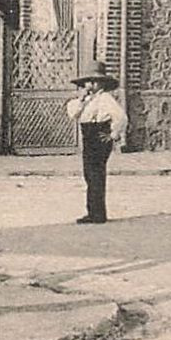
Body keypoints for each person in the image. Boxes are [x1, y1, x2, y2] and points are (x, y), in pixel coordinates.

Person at [65, 61, 128, 224]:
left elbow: (121, 117)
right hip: (88, 136)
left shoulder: (106, 99)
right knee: (89, 174)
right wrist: (81, 100)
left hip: (99, 135)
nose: (91, 85)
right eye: (88, 81)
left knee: (96, 174)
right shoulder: (83, 100)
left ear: (102, 84)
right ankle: (93, 211)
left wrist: (113, 134)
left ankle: (97, 213)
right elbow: (73, 114)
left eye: (95, 81)